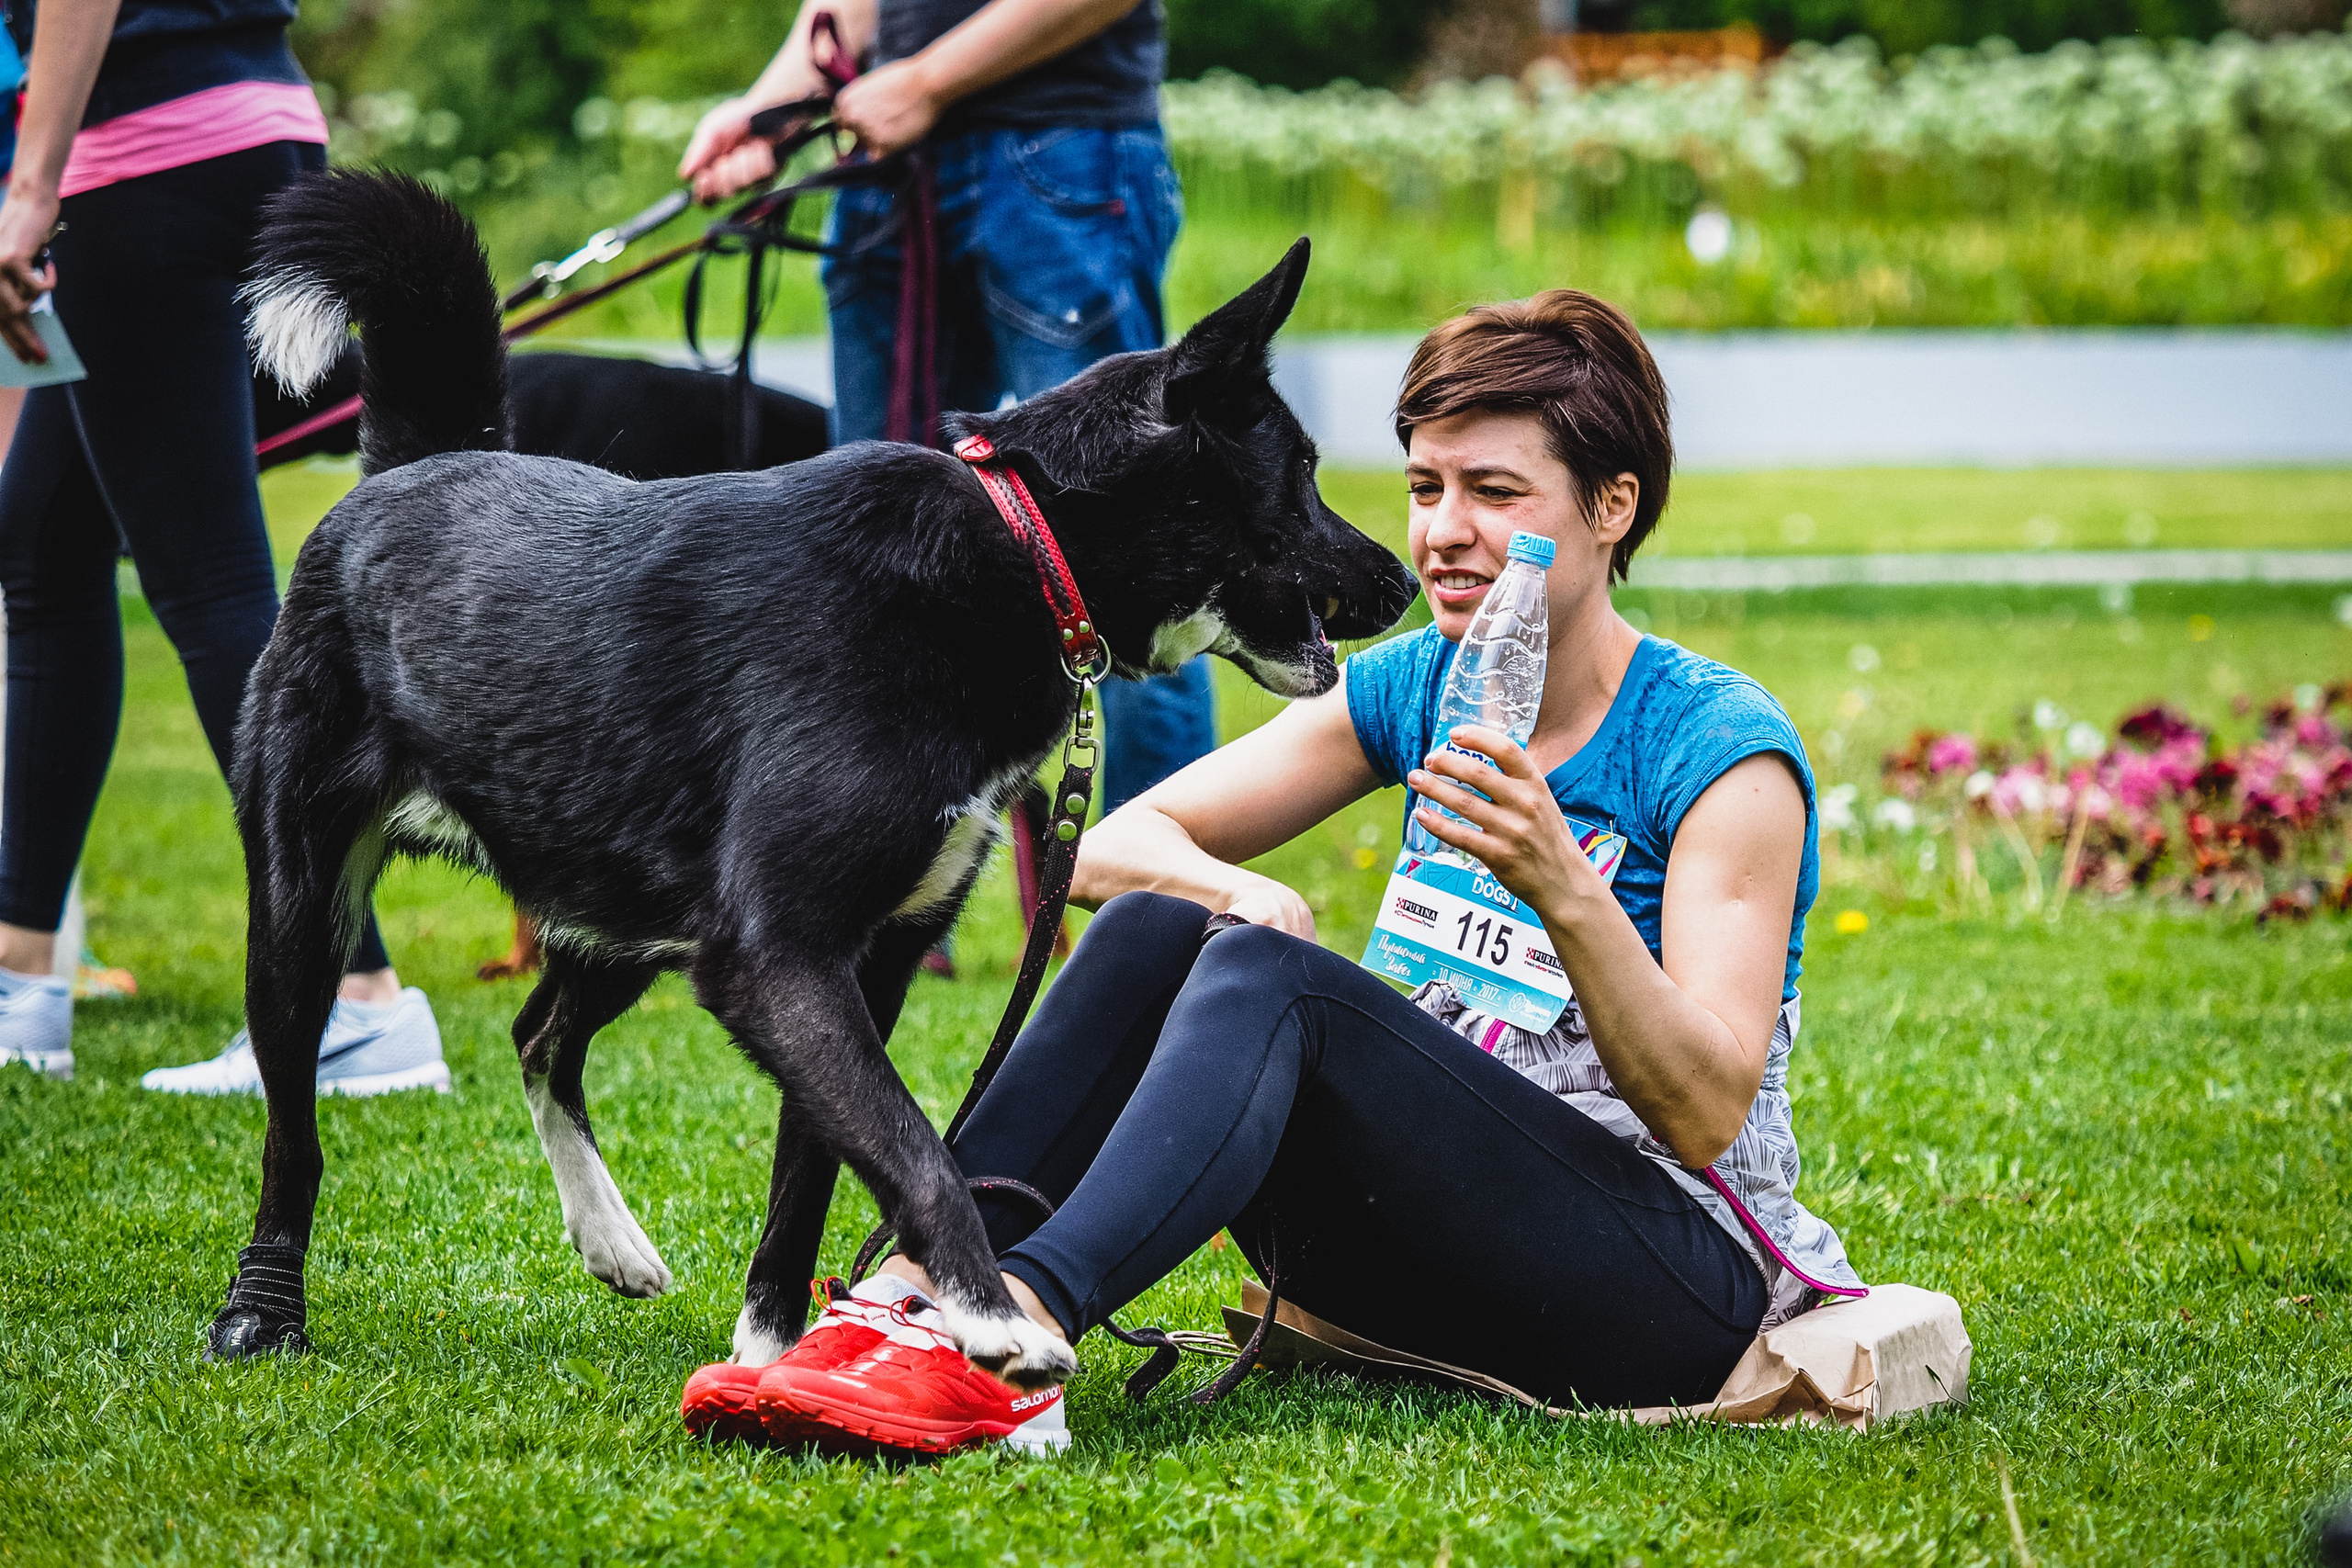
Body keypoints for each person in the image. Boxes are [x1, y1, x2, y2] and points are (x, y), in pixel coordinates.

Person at [709, 290, 1866, 1455]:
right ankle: (919, 1292)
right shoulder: (1417, 683)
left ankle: (1020, 1329)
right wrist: (1232, 892)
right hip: (1413, 1245)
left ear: (1613, 507)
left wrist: (1562, 885)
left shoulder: (1716, 748)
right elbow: (1107, 850)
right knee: (1154, 932)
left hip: (1663, 1286)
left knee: (1283, 988)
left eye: (1495, 493)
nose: (1443, 533)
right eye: (1425, 487)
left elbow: (1708, 1112)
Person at [0, 0, 445, 1091]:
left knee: (209, 581)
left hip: (141, 152)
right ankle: (20, 973)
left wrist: (29, 184)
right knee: (45, 546)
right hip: (254, 122)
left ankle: (353, 994)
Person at [679, 0, 1217, 824]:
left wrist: (931, 79)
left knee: (1137, 544)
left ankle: (1158, 919)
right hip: (894, 166)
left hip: (1059, 148)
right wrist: (766, 112)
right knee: (858, 557)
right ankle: (872, 899)